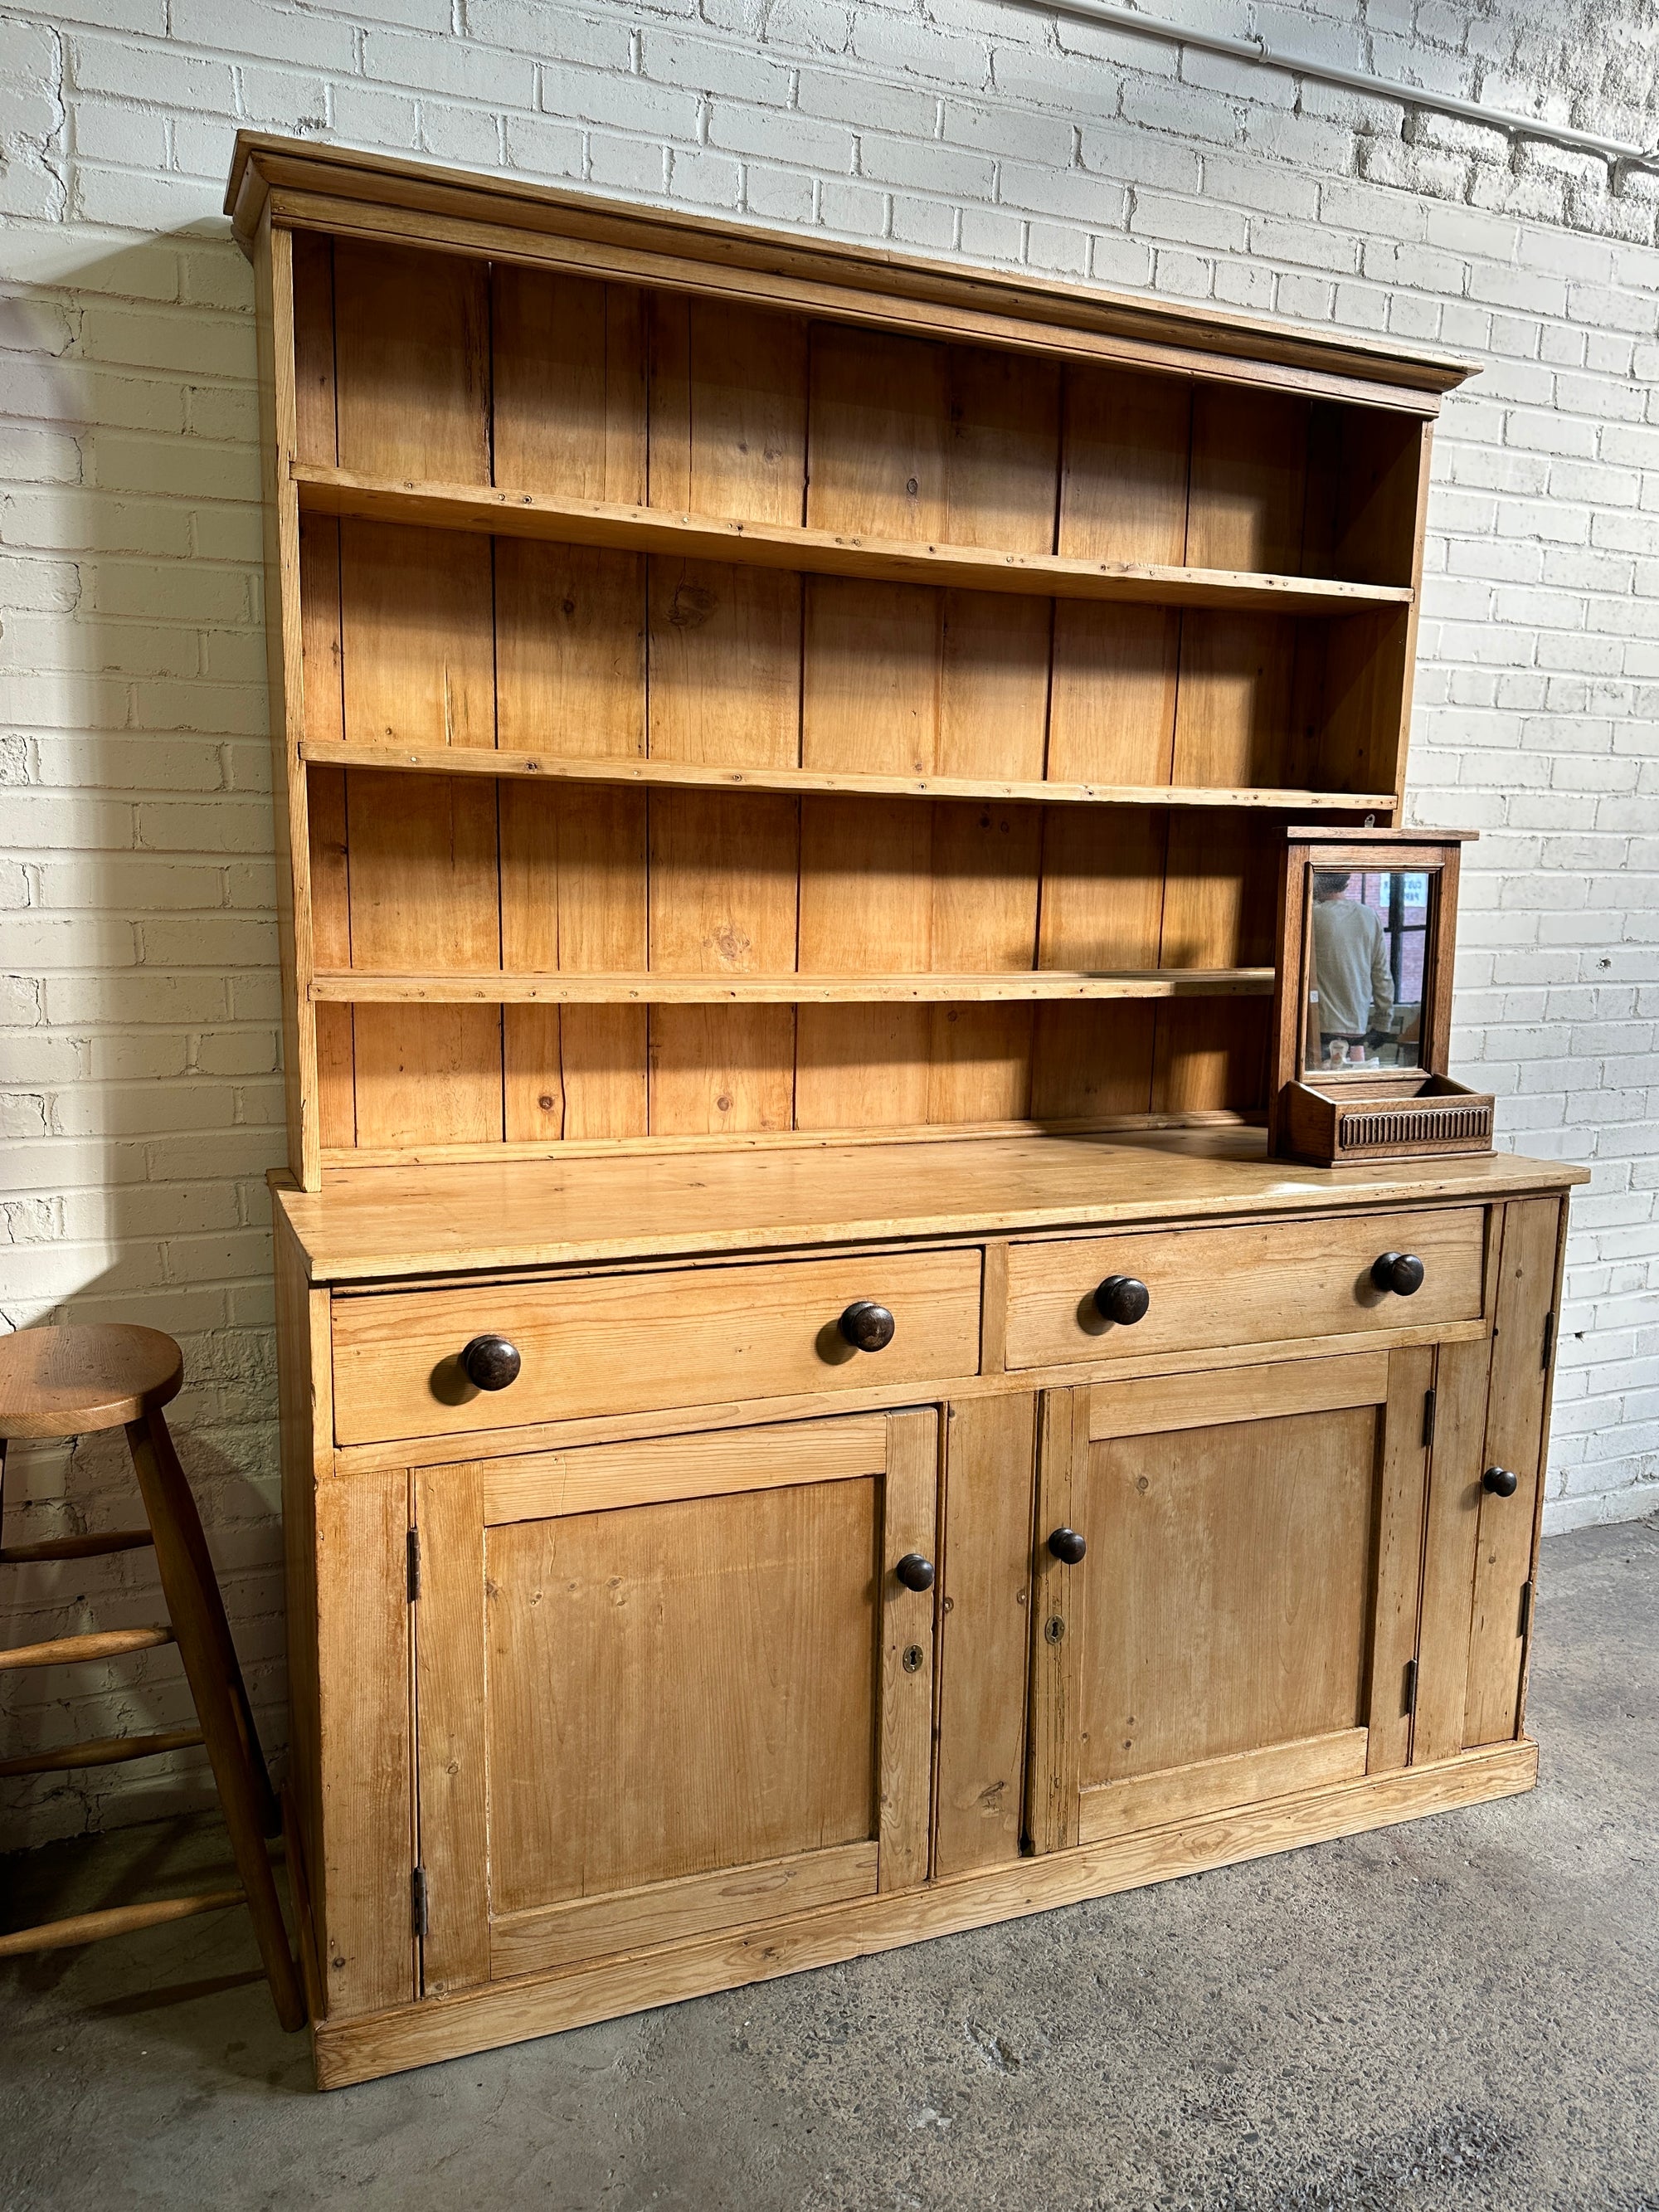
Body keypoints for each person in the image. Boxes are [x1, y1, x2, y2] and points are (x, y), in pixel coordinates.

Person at [1309, 871, 1393, 1062]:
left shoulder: (1311, 916)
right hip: (1357, 1034)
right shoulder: (1369, 916)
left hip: (1317, 1029)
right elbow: (1381, 974)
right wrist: (1383, 1023)